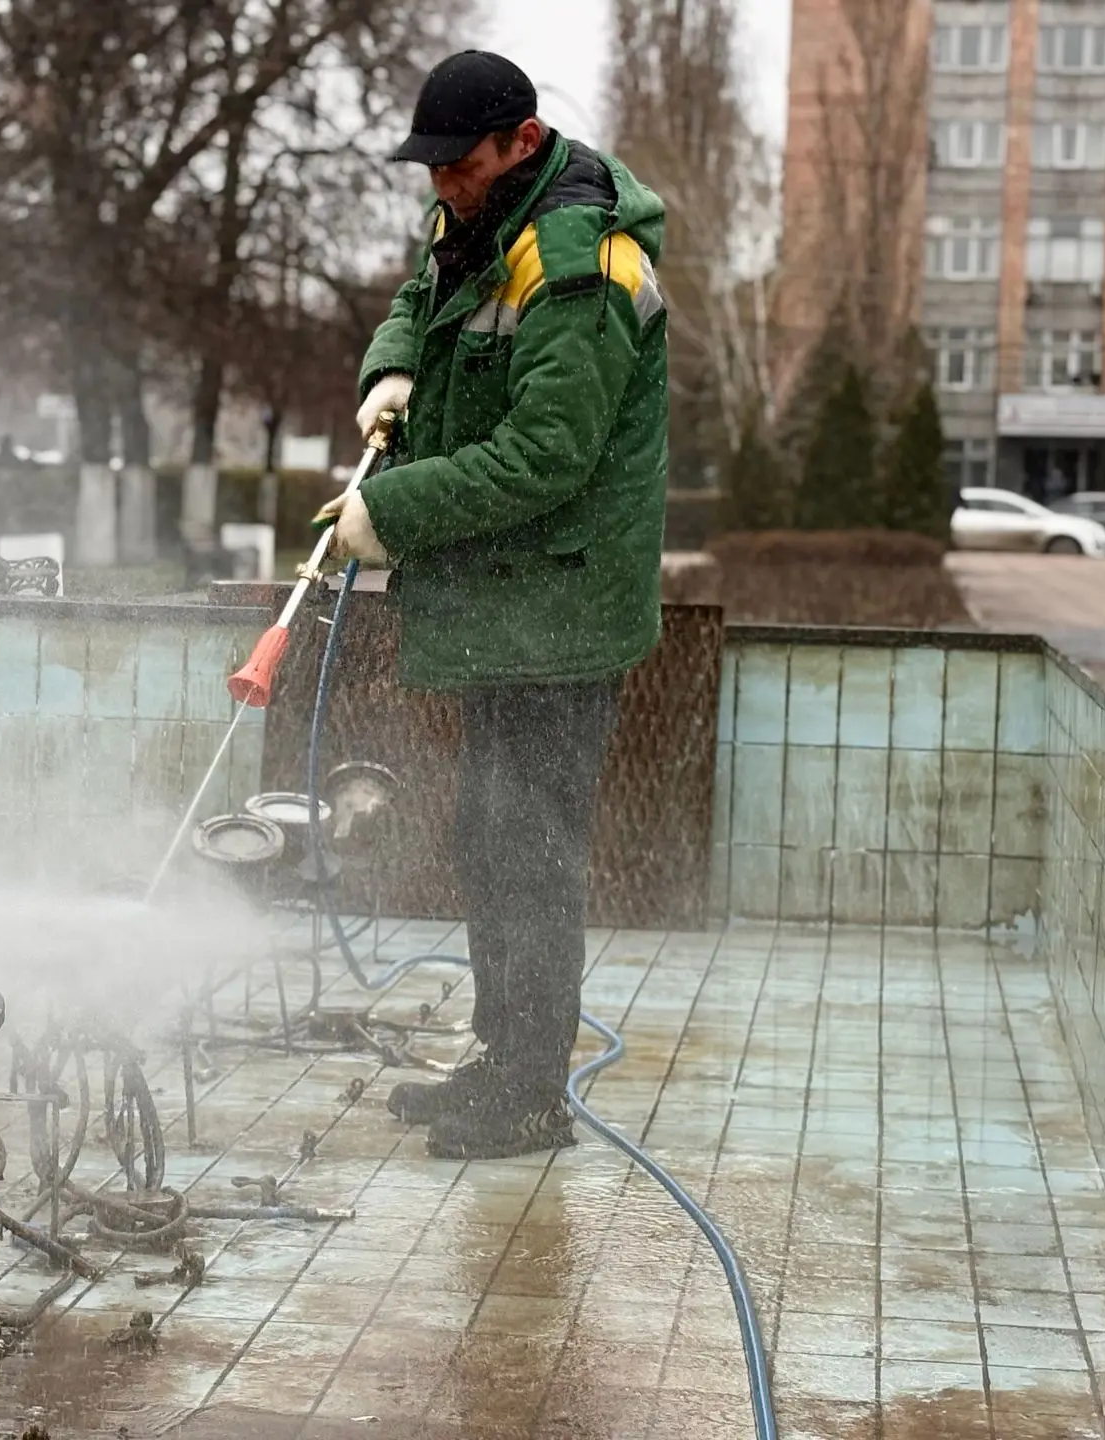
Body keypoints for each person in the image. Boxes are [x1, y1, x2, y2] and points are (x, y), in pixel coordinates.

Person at [317, 50, 669, 1160]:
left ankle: (530, 1097)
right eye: (432, 169)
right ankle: (499, 1060)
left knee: (533, 854)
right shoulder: (478, 217)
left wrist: (392, 512)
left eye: (459, 165)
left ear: (521, 141)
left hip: (564, 609)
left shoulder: (579, 264)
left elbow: (549, 453)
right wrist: (392, 369)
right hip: (508, 603)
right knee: (486, 838)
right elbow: (418, 298)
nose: (442, 187)